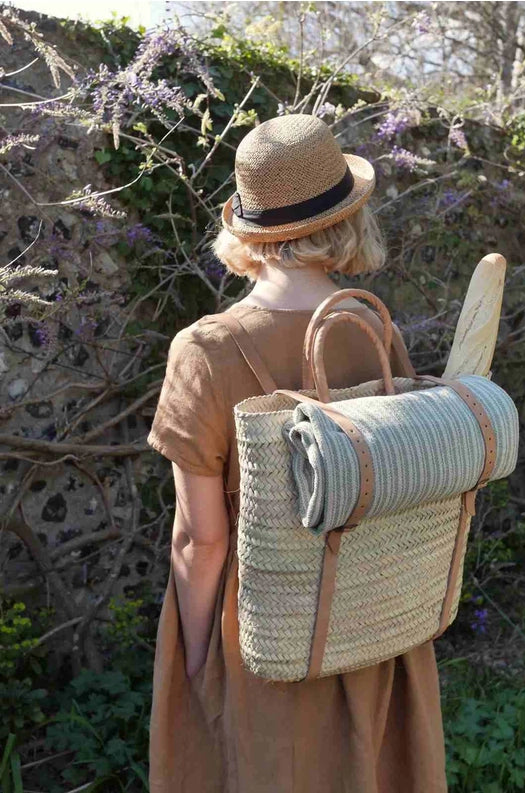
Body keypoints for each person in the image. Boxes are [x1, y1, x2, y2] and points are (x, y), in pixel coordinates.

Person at [146, 113, 448, 793]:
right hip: (373, 618)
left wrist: (196, 661)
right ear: (345, 219)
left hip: (263, 635)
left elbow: (200, 539)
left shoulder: (207, 351)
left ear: (246, 229)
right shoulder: (371, 330)